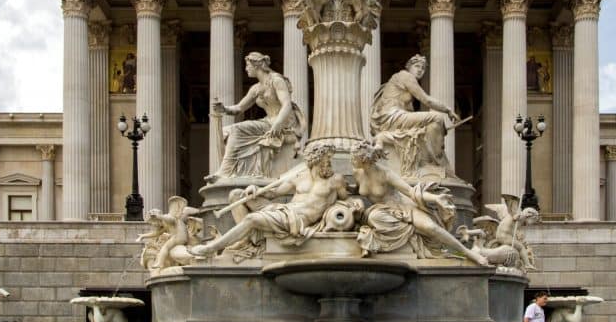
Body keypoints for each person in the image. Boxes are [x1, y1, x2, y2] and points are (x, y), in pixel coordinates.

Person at [191, 143, 347, 258]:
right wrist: (255, 189)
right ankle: (245, 240)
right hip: (284, 211)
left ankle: (211, 248)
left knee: (252, 219)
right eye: (327, 158)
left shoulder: (335, 180)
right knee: (237, 195)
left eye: (330, 159)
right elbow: (274, 193)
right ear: (316, 159)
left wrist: (355, 204)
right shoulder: (299, 177)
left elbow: (347, 199)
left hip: (296, 220)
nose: (329, 163)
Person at [351, 142, 488, 265]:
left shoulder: (385, 173)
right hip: (379, 210)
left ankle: (468, 253)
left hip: (402, 207)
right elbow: (354, 191)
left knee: (430, 227)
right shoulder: (357, 173)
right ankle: (410, 235)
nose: (352, 160)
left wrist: (436, 199)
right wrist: (352, 201)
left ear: (364, 160)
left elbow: (410, 191)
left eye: (354, 157)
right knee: (374, 217)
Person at [211, 52, 306, 179]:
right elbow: (239, 108)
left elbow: (287, 105)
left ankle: (224, 171)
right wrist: (224, 109)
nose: (246, 69)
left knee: (237, 130)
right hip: (268, 122)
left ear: (256, 66)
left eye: (247, 65)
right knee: (225, 131)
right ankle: (230, 171)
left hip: (283, 124)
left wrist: (277, 124)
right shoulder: (256, 88)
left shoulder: (276, 80)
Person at [370, 55, 460, 178]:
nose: (420, 70)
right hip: (393, 117)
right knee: (437, 118)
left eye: (423, 68)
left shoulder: (402, 83)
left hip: (395, 117)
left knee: (428, 126)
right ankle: (433, 161)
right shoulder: (405, 76)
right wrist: (447, 110)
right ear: (409, 67)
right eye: (417, 66)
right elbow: (426, 100)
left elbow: (411, 112)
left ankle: (428, 159)